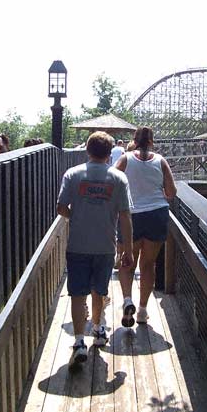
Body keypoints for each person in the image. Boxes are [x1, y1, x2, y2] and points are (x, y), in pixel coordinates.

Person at [57, 131, 134, 369]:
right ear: (110, 153)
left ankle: (79, 341)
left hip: (78, 244)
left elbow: (61, 207)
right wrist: (128, 250)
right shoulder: (119, 178)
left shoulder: (73, 174)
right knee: (98, 291)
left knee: (77, 294)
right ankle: (99, 330)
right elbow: (125, 216)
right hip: (105, 246)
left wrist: (76, 215)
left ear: (87, 150)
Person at [115, 126, 176, 326]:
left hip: (131, 216)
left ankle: (126, 301)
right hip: (156, 214)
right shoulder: (160, 161)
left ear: (134, 139)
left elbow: (112, 179)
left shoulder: (125, 159)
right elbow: (171, 192)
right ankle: (142, 310)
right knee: (148, 264)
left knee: (127, 262)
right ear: (152, 141)